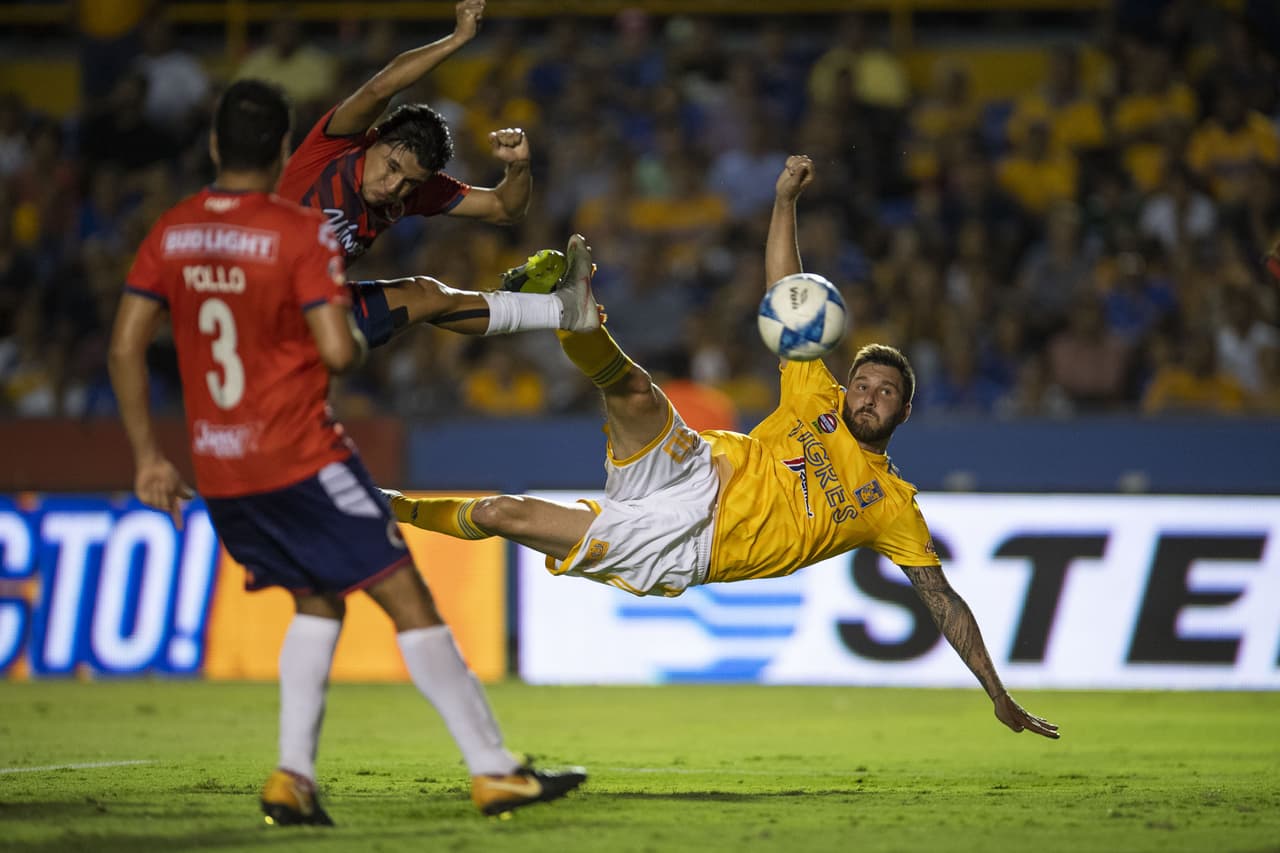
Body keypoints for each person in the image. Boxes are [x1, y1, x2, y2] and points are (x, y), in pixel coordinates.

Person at [387, 156, 1059, 741]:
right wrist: (783, 200)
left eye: (885, 392)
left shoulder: (890, 505)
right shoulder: (813, 392)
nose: (867, 395)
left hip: (688, 542)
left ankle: (391, 509)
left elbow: (942, 598)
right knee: (638, 392)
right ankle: (574, 318)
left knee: (508, 513)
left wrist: (995, 691)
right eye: (863, 381)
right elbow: (784, 292)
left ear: (904, 410)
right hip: (696, 463)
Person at [107, 79, 586, 827]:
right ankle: (494, 771)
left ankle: (292, 777)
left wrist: (147, 457)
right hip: (300, 454)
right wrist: (349, 333)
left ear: (211, 146)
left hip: (220, 464)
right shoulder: (296, 232)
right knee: (409, 599)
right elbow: (336, 348)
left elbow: (125, 343)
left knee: (318, 601)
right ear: (283, 149)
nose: (394, 184)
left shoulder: (174, 230)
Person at [275, 0, 583, 350]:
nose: (393, 187)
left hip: (310, 315)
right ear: (374, 139)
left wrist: (519, 167)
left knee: (428, 295)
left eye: (409, 182)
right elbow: (380, 89)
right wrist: (457, 39)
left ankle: (563, 309)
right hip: (251, 295)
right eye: (391, 167)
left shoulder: (413, 190)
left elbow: (504, 208)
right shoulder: (333, 148)